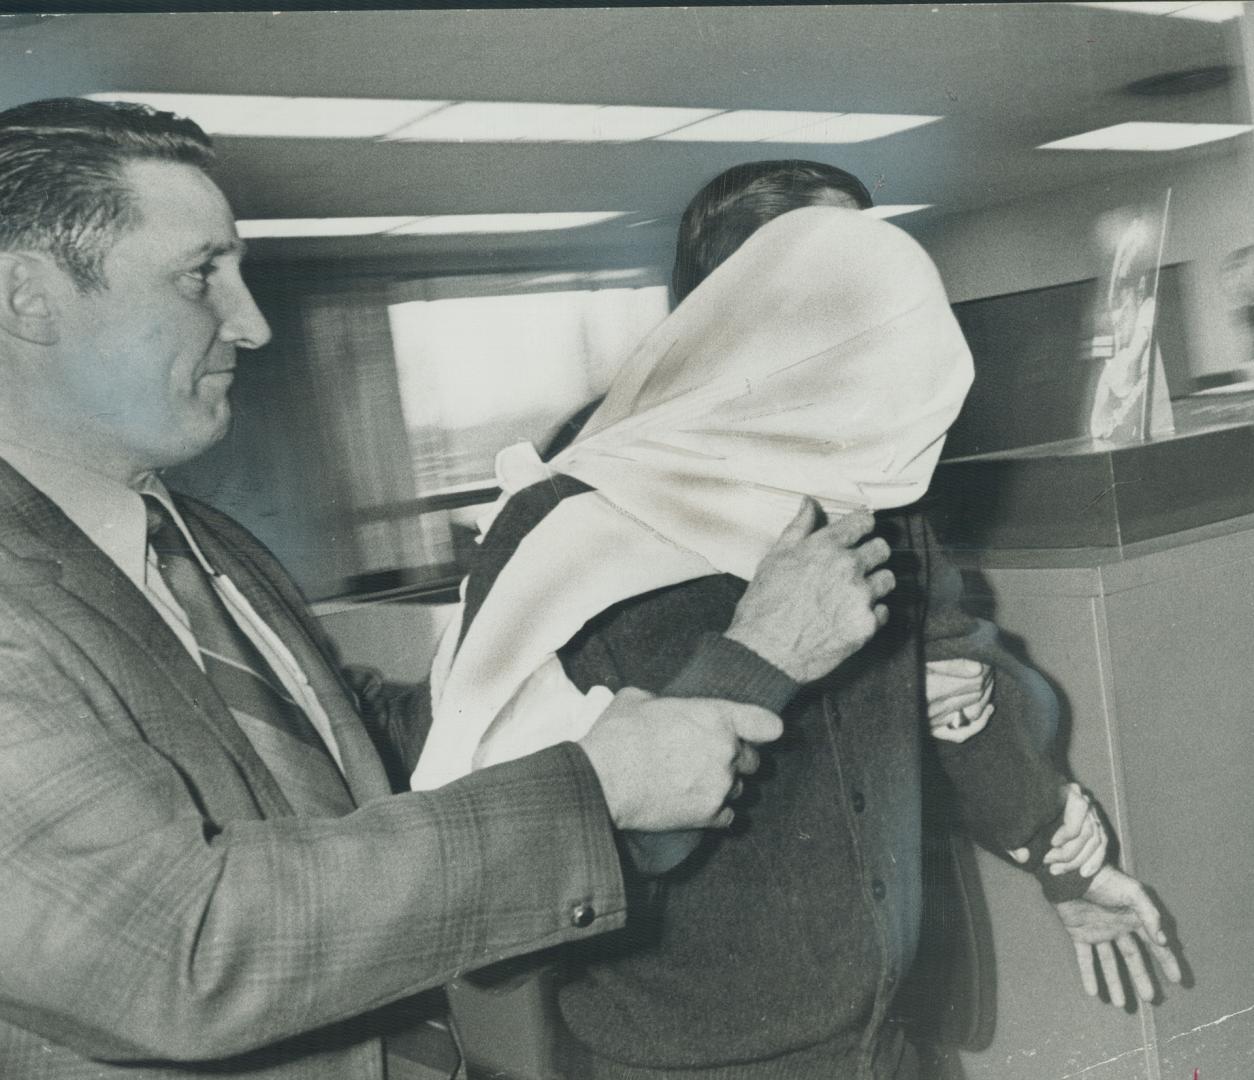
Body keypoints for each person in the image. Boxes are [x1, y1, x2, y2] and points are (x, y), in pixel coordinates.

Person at [0, 99, 907, 1080]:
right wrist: (603, 783)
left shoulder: (192, 535)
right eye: (199, 276)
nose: (252, 323)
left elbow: (349, 745)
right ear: (25, 296)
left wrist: (518, 636)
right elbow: (184, 948)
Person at [414, 162, 1182, 1080]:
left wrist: (1067, 866)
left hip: (894, 1048)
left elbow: (960, 699)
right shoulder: (562, 525)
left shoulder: (871, 491)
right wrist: (756, 657)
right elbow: (505, 890)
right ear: (725, 308)